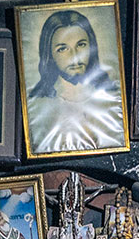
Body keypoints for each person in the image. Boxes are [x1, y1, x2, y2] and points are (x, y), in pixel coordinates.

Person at [23, 8, 125, 154]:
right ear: (49, 54)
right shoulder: (39, 105)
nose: (75, 57)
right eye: (63, 49)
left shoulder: (112, 97)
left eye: (81, 45)